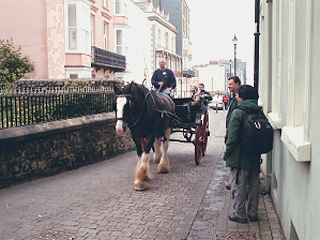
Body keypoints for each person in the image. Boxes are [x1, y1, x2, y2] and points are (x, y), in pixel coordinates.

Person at [224, 85, 261, 224]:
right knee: (253, 185)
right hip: (255, 155)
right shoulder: (259, 111)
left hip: (240, 157)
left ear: (242, 97)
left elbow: (232, 137)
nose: (235, 97)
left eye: (237, 95)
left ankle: (239, 214)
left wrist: (227, 153)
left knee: (238, 185)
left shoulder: (238, 112)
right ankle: (253, 214)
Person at [225, 76, 241, 190]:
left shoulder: (240, 98)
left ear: (237, 84)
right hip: (231, 131)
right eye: (228, 84)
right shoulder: (233, 97)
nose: (229, 86)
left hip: (235, 133)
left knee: (235, 158)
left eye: (231, 84)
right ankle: (233, 181)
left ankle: (235, 184)